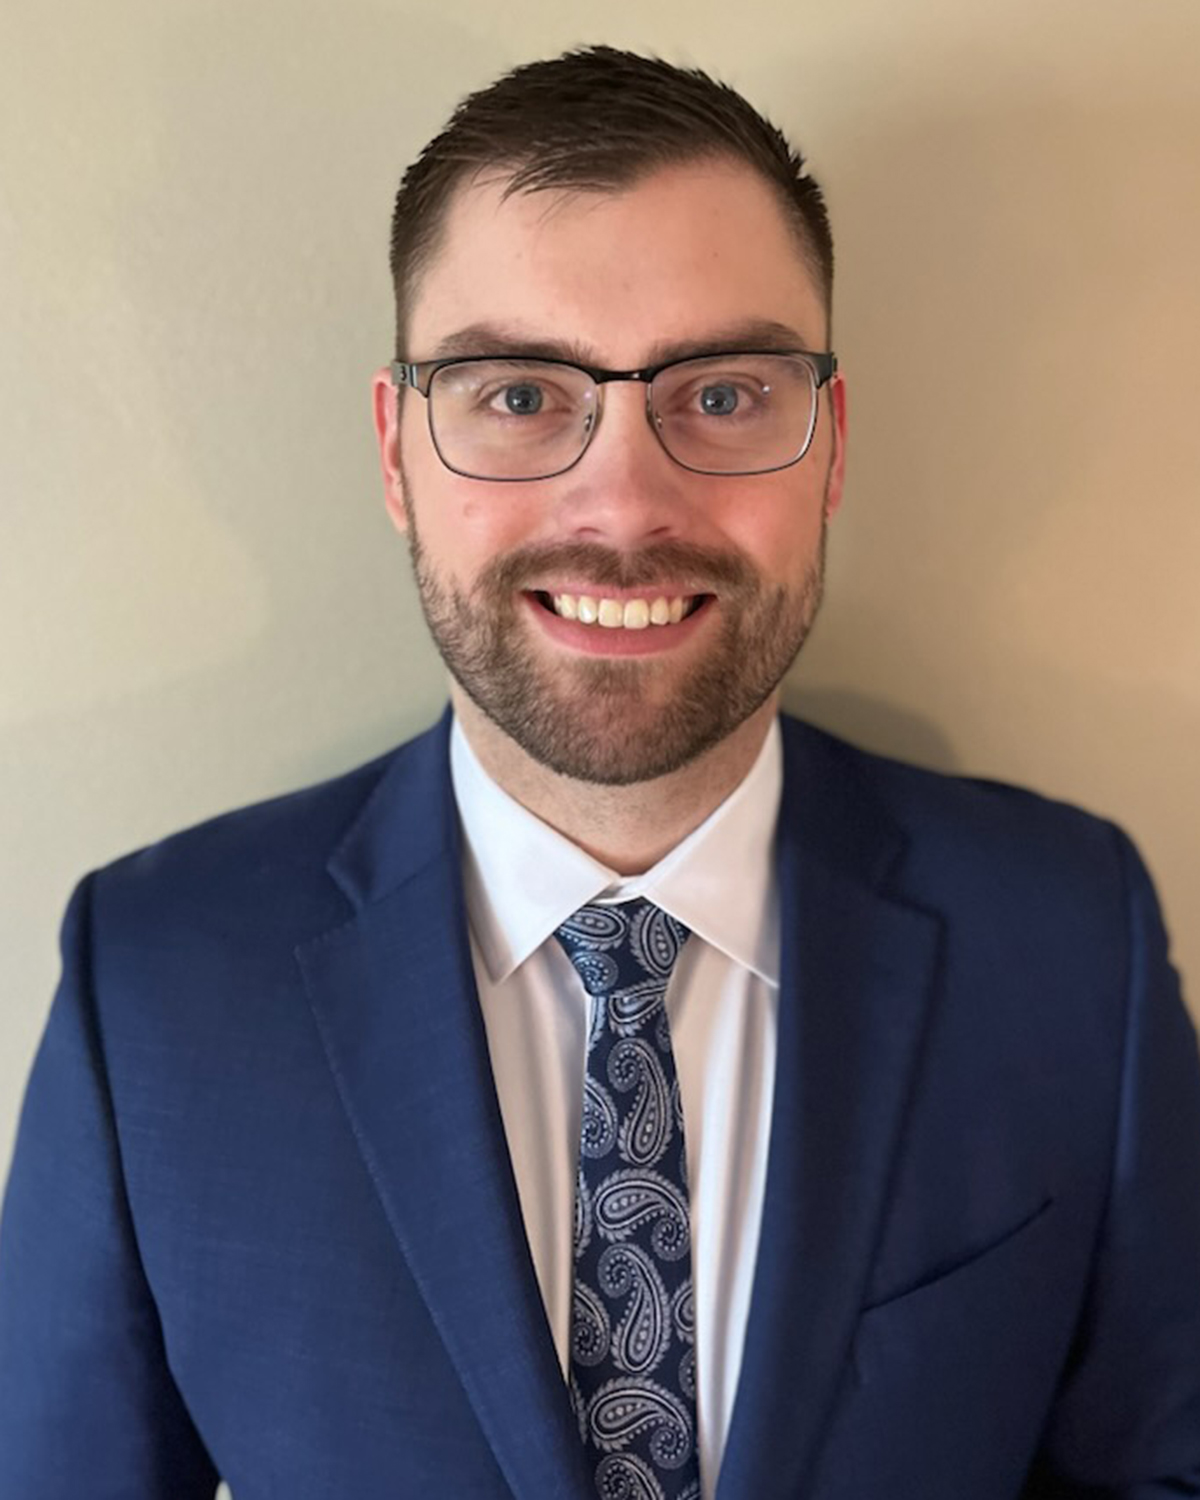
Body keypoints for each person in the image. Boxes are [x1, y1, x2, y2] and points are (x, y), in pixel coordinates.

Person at [1, 44, 1197, 1500]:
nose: (623, 506)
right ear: (396, 451)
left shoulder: (1069, 941)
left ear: (829, 450)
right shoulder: (155, 983)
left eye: (724, 394)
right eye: (518, 394)